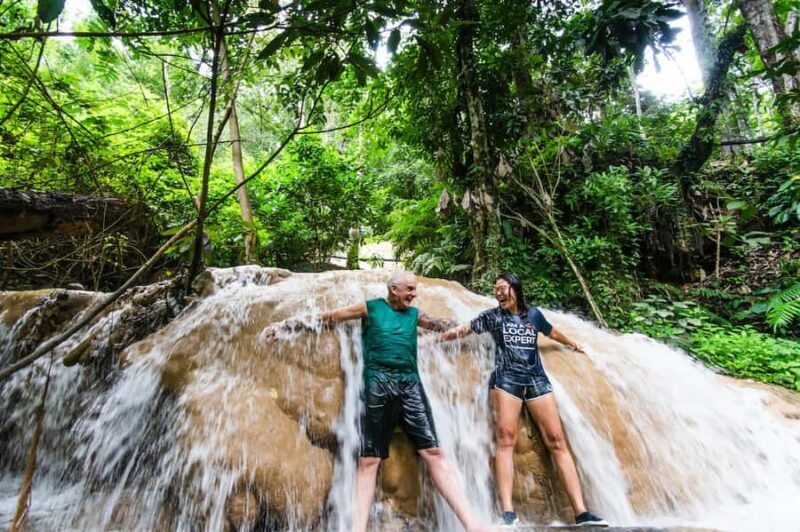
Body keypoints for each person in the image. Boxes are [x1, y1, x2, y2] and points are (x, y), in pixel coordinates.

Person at [264, 271, 489, 532]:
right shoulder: (370, 308)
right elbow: (330, 317)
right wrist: (287, 325)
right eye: (410, 289)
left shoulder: (416, 315)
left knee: (434, 453)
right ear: (394, 290)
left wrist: (481, 326)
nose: (415, 294)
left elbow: (442, 324)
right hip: (377, 385)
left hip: (410, 386)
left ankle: (473, 525)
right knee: (368, 460)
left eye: (414, 289)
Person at [435, 273, 608, 528]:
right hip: (506, 381)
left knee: (557, 441)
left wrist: (574, 344)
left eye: (503, 288)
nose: (498, 293)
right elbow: (464, 330)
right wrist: (437, 339)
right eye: (496, 290)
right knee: (506, 440)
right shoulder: (492, 317)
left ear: (515, 289)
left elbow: (552, 332)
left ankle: (581, 511)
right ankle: (507, 511)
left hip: (536, 379)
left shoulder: (533, 315)